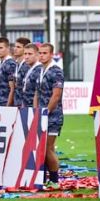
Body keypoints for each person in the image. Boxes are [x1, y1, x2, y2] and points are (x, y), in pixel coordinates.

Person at [34, 43, 64, 188]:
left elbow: (56, 95)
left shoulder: (56, 71)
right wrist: (36, 111)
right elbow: (37, 93)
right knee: (41, 148)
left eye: (45, 53)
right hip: (41, 114)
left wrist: (46, 112)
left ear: (51, 54)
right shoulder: (40, 70)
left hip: (53, 116)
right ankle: (45, 178)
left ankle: (55, 180)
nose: (41, 55)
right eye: (40, 53)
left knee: (48, 148)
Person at [21, 43, 42, 108]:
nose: (26, 57)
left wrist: (35, 110)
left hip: (34, 108)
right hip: (26, 107)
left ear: (37, 55)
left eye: (30, 54)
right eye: (25, 54)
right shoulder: (28, 69)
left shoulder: (39, 69)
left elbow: (38, 93)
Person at [13, 37, 31, 108]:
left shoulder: (27, 65)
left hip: (25, 105)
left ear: (25, 49)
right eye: (15, 46)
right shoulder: (16, 64)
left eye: (18, 47)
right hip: (16, 103)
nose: (15, 49)